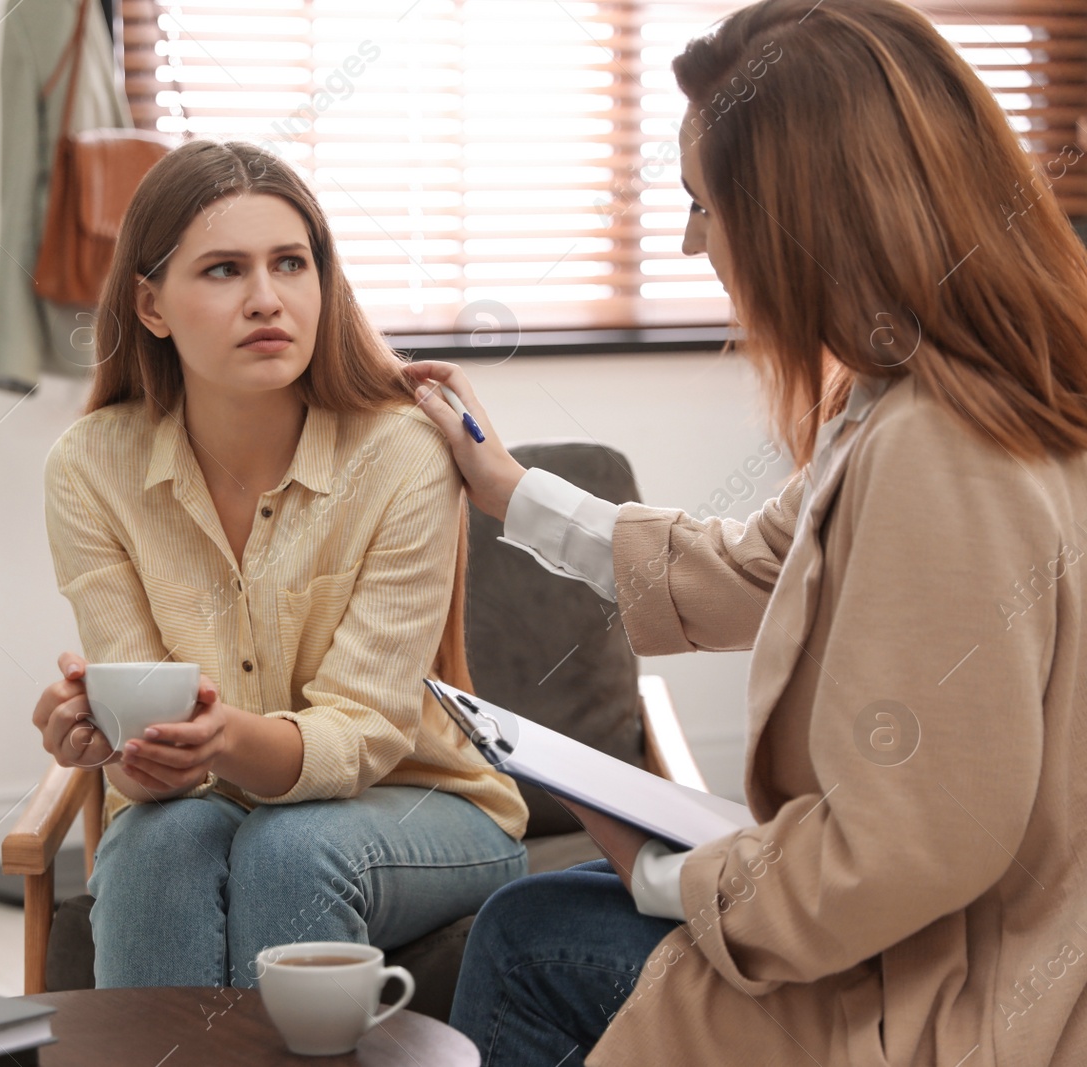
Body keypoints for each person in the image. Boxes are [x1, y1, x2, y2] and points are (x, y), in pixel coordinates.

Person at [404, 1, 1087, 1064]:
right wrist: (508, 491)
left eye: (700, 204)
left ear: (796, 216)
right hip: (951, 931)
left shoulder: (937, 444)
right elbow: (753, 569)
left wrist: (667, 872)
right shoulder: (932, 392)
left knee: (533, 935)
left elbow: (912, 846)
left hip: (958, 988)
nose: (688, 238)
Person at [31, 139, 529, 989]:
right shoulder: (90, 468)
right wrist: (111, 743)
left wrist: (226, 739)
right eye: (224, 270)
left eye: (291, 263)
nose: (268, 299)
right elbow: (152, 746)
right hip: (207, 804)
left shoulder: (403, 454)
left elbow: (366, 731)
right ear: (151, 304)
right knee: (155, 844)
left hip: (424, 804)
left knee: (290, 846)